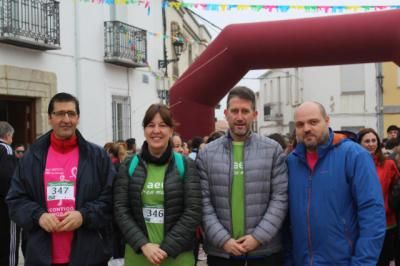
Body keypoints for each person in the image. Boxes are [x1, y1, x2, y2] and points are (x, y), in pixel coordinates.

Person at [6, 92, 115, 266]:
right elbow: (15, 200)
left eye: (71, 114)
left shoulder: (97, 157)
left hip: (88, 255)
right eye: (60, 113)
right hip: (41, 256)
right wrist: (38, 215)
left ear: (78, 118)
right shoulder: (31, 157)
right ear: (50, 118)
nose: (66, 119)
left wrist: (84, 215)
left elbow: (111, 199)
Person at [197, 86, 288, 266]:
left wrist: (258, 237)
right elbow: (203, 202)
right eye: (235, 111)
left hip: (265, 252)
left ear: (254, 115)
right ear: (226, 113)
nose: (239, 117)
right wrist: (223, 240)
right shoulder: (207, 153)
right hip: (222, 253)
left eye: (245, 111)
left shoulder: (272, 150)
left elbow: (280, 198)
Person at [286, 101, 385, 265]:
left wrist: (363, 263)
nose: (307, 128)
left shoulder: (354, 155)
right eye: (300, 124)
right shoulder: (291, 162)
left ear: (327, 120)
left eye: (313, 122)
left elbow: (372, 214)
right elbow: (287, 221)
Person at [113, 103, 201, 266]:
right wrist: (144, 245)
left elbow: (193, 210)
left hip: (177, 257)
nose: (156, 131)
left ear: (171, 130)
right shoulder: (129, 165)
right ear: (144, 129)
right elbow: (120, 209)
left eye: (162, 125)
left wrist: (166, 248)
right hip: (139, 255)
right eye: (150, 125)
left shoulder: (185, 165)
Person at [357, 128, 400, 266]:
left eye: (374, 140)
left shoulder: (389, 164)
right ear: (359, 144)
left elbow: (396, 188)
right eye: (367, 141)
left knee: (383, 260)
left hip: (386, 222)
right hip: (361, 223)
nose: (371, 144)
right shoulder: (354, 164)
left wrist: (390, 205)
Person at [0, 121, 18, 266]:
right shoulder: (6, 149)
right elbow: (8, 178)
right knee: (9, 246)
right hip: (5, 207)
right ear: (7, 136)